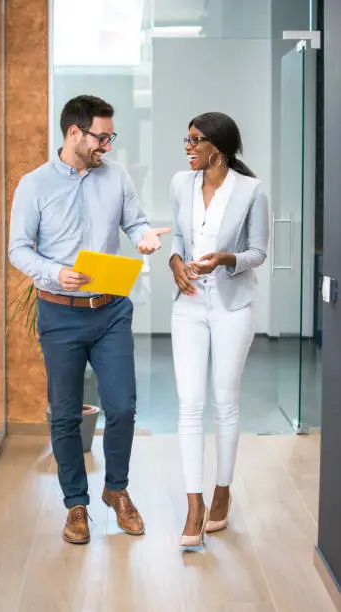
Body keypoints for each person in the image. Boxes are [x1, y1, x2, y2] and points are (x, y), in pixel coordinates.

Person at [9, 95, 169, 544]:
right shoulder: (34, 185)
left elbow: (135, 223)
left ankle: (116, 491)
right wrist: (55, 272)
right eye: (102, 136)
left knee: (121, 406)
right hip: (59, 313)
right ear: (74, 133)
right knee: (64, 414)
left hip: (112, 310)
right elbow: (18, 249)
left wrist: (144, 237)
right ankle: (75, 505)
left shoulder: (116, 177)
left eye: (110, 137)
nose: (108, 146)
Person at [169, 112, 269, 549]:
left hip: (232, 306)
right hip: (189, 305)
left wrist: (225, 259)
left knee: (224, 402)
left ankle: (222, 491)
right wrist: (175, 264)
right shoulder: (180, 184)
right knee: (190, 403)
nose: (188, 147)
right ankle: (194, 504)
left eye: (196, 140)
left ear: (219, 148)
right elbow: (176, 236)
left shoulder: (251, 190)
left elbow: (259, 252)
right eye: (186, 139)